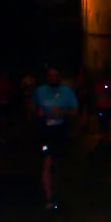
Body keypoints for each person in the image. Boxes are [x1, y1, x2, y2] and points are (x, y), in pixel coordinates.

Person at [32, 66, 79, 210]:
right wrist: (38, 114)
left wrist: (63, 112)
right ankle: (48, 195)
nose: (53, 78)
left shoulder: (67, 91)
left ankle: (58, 192)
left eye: (55, 75)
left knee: (58, 163)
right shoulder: (40, 91)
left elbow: (75, 110)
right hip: (46, 131)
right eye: (50, 75)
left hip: (61, 130)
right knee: (47, 162)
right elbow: (32, 107)